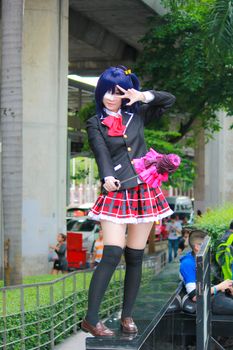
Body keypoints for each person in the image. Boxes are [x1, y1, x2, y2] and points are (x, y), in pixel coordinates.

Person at [81, 65, 175, 337]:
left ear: (124, 93)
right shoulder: (94, 122)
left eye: (116, 92)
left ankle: (127, 317)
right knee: (111, 253)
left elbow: (168, 100)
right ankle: (91, 319)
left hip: (145, 190)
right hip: (117, 189)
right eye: (106, 92)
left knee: (135, 256)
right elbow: (101, 152)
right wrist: (107, 176)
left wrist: (142, 95)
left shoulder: (136, 113)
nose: (110, 97)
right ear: (99, 93)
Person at [180, 229, 233, 315]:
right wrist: (219, 287)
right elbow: (195, 296)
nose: (209, 248)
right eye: (207, 245)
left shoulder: (199, 258)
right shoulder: (187, 264)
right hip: (208, 302)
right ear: (197, 247)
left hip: (214, 295)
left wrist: (226, 287)